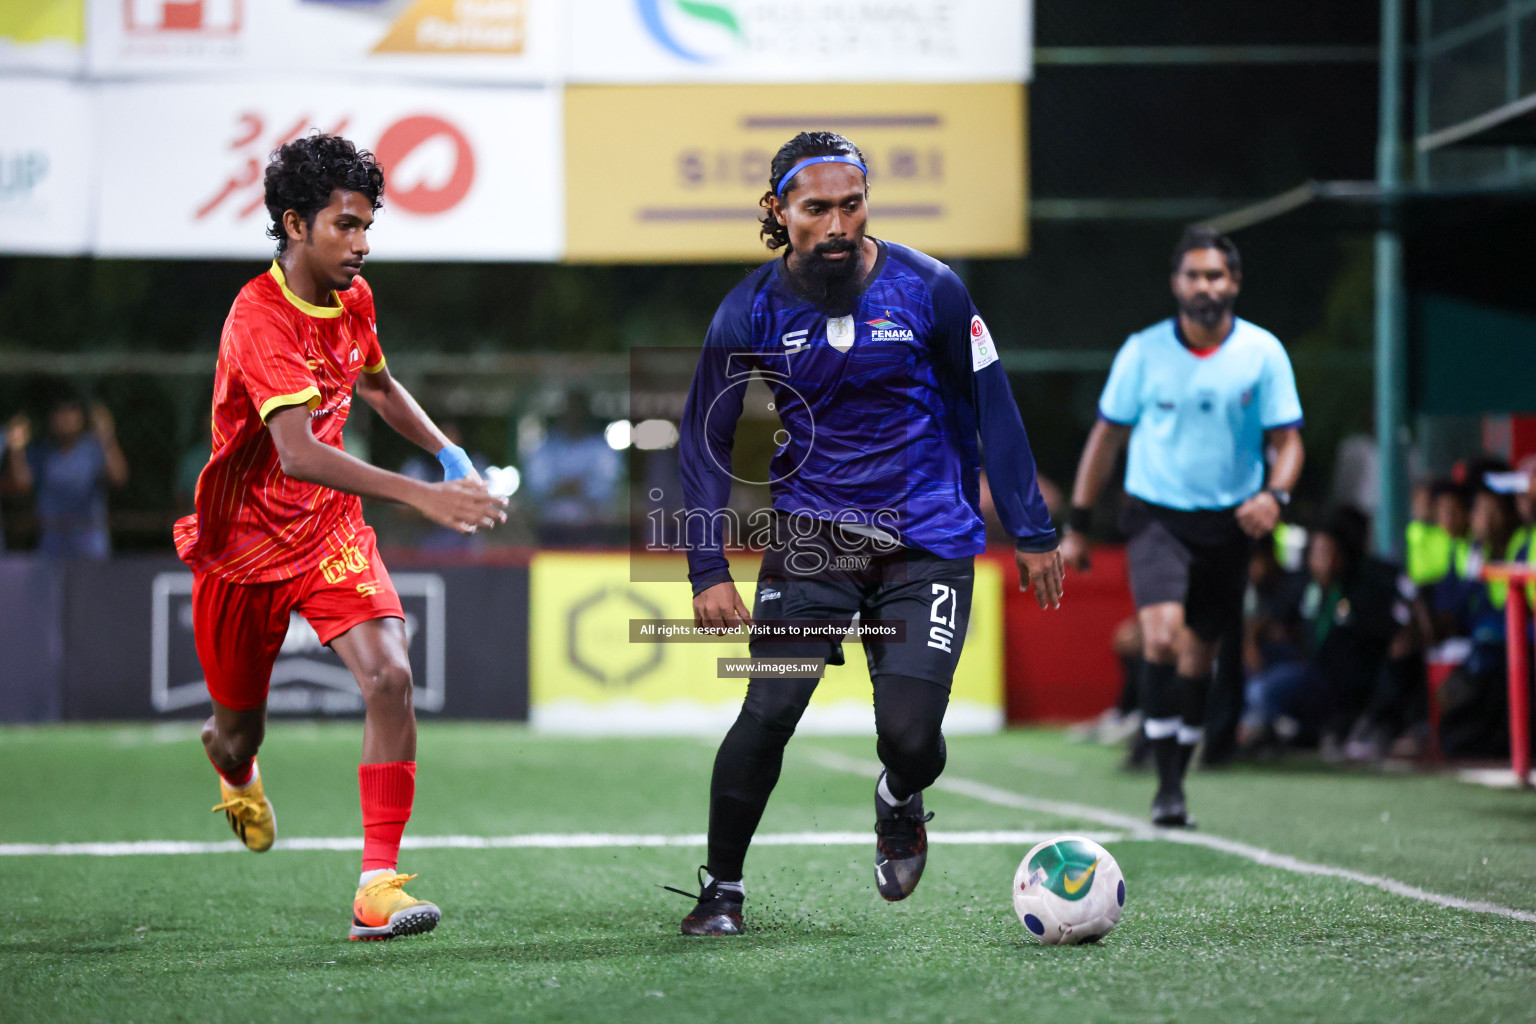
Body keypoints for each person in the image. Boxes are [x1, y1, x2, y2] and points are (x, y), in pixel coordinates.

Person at [673, 131, 1063, 936]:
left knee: (912, 737)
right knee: (769, 709)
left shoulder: (934, 289)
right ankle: (722, 889)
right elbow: (705, 440)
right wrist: (706, 566)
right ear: (780, 213)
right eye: (818, 208)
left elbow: (994, 402)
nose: (839, 223)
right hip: (813, 541)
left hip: (929, 542)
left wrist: (1031, 528)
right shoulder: (747, 309)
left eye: (852, 204)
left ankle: (899, 795)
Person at [174, 134, 506, 941]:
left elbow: (381, 387)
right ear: (295, 224)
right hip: (243, 550)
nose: (361, 243)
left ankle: (376, 885)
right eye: (346, 226)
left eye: (368, 226)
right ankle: (236, 770)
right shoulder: (258, 318)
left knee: (390, 677)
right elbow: (298, 451)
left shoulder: (353, 299)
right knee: (234, 728)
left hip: (328, 535)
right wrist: (423, 497)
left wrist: (450, 455)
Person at [1060, 225, 1304, 826]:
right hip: (1155, 516)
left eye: (1216, 275)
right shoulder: (1143, 351)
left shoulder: (1263, 353)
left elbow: (1289, 441)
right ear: (1176, 283)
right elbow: (1106, 438)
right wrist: (1079, 525)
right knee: (1162, 636)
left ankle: (1179, 775)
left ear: (1235, 283)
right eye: (1194, 275)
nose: (1205, 286)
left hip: (1230, 522)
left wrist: (1275, 494)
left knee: (1201, 656)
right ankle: (1166, 788)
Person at [11, 396, 129, 559]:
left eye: (72, 410)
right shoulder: (41, 452)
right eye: (59, 411)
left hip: (90, 543)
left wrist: (107, 436)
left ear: (82, 417)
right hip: (51, 543)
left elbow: (119, 478)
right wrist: (16, 449)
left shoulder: (93, 449)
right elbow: (22, 486)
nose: (66, 417)